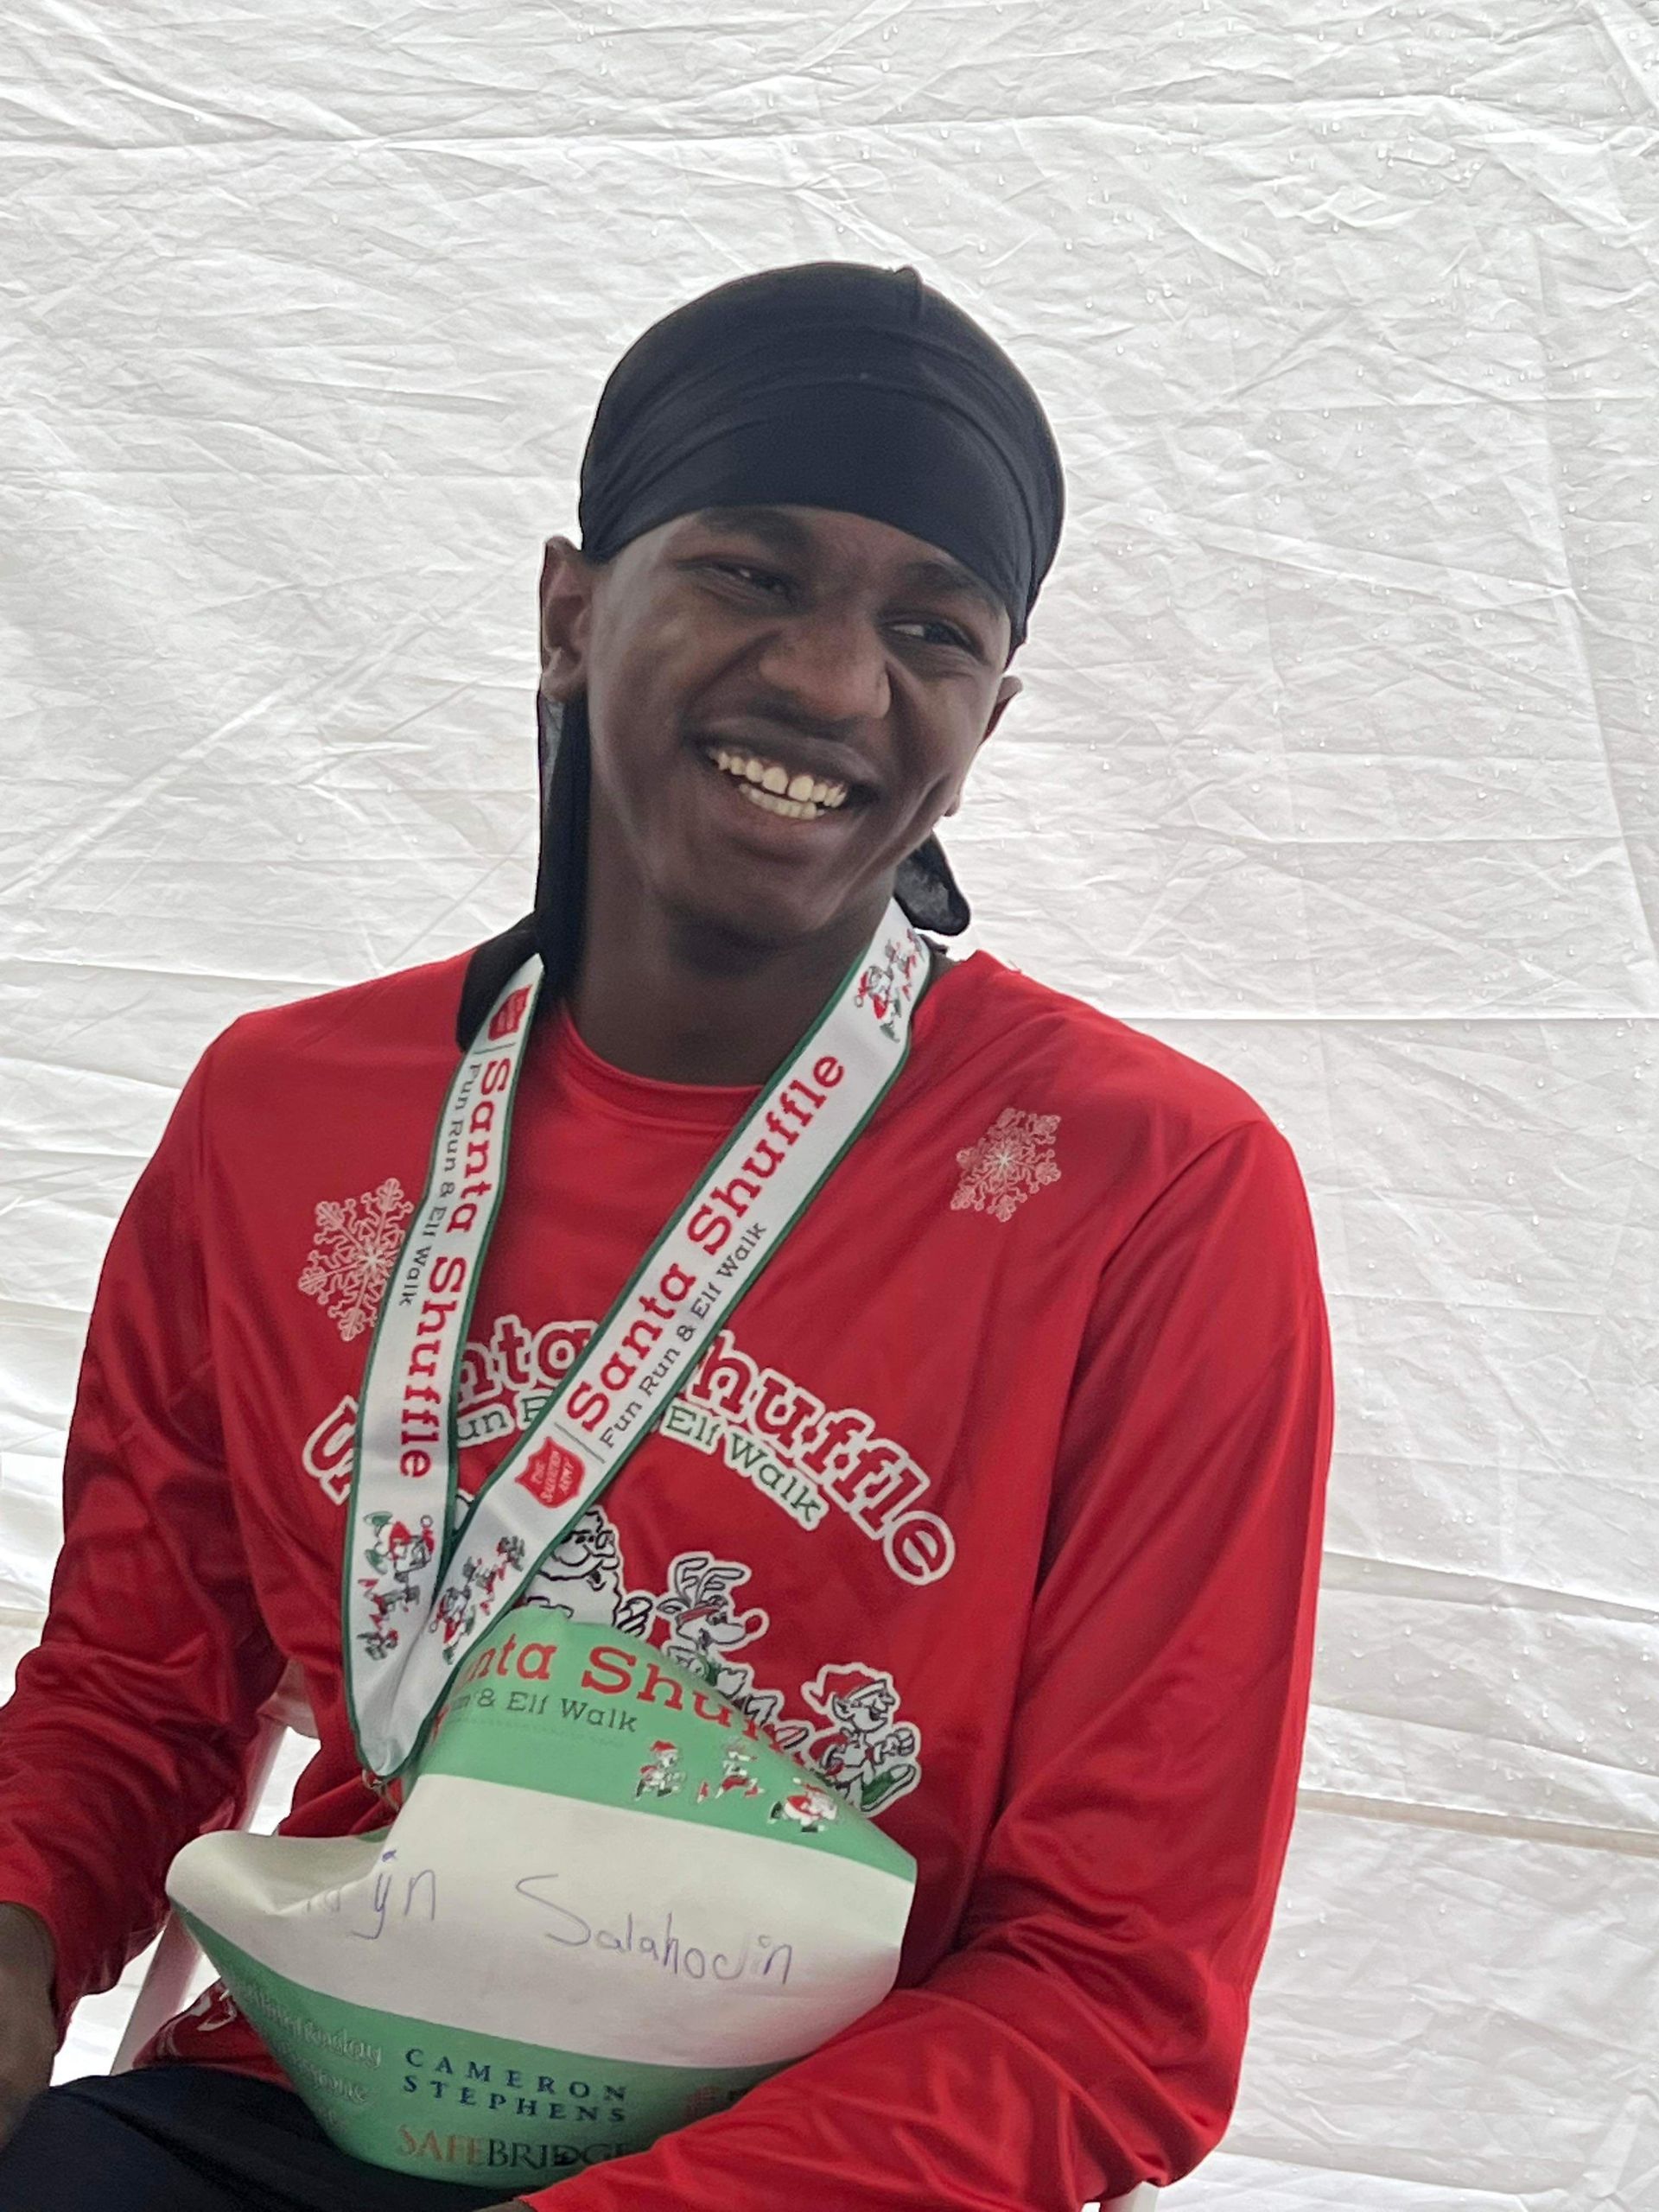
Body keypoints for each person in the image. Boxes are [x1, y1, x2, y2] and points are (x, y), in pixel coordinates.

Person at [0, 260, 1333, 2210]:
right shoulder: (287, 1112)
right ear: (571, 612)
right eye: (752, 571)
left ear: (989, 714)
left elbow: (1117, 1991)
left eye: (932, 628)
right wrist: (18, 1939)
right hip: (299, 2107)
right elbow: (135, 1689)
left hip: (846, 2161)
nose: (833, 681)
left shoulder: (1155, 1189)